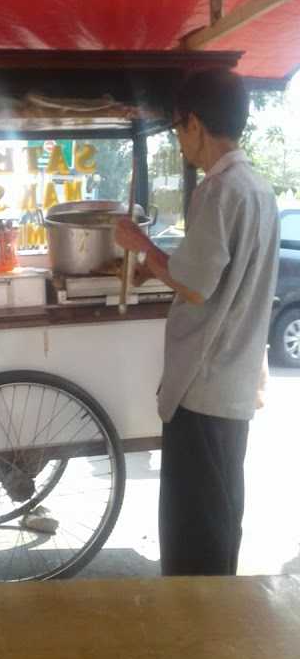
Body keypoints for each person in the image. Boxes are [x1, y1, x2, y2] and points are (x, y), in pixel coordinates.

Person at [115, 69, 280, 576]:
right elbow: (204, 274)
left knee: (193, 529)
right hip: (232, 385)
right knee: (220, 514)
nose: (180, 141)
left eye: (177, 128)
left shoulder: (218, 190)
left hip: (203, 388)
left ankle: (196, 635)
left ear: (194, 125)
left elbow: (195, 286)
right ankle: (214, 621)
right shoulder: (259, 190)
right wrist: (156, 265)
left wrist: (140, 245)